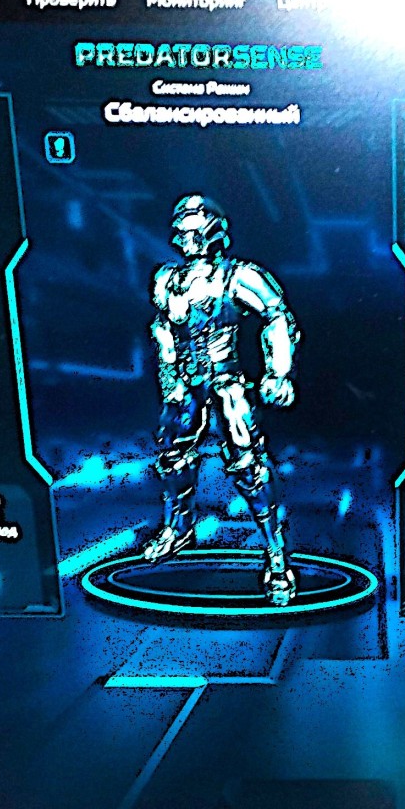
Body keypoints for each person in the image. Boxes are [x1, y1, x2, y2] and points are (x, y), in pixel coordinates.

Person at [143, 193, 301, 603]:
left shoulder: (239, 276)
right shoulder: (167, 279)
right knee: (173, 459)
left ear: (215, 231)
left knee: (249, 468)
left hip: (228, 381)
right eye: (183, 232)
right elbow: (163, 329)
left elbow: (276, 316)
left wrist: (278, 372)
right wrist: (170, 376)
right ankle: (178, 528)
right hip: (185, 384)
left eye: (197, 231)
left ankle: (276, 556)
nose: (189, 240)